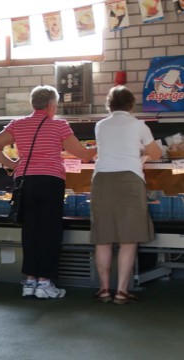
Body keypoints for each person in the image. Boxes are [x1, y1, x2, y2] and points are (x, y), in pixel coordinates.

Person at [0, 85, 96, 299]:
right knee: (49, 231)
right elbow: (82, 154)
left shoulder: (18, 124)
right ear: (50, 105)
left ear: (32, 104)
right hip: (50, 182)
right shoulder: (59, 125)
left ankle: (29, 281)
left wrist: (13, 164)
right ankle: (45, 283)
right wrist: (100, 148)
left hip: (25, 182)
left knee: (30, 231)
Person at [90, 85, 162, 305]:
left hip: (101, 181)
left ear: (109, 105)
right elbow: (156, 154)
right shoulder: (139, 125)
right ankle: (121, 292)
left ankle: (103, 290)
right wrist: (142, 155)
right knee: (128, 240)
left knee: (103, 239)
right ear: (131, 104)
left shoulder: (100, 125)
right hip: (130, 181)